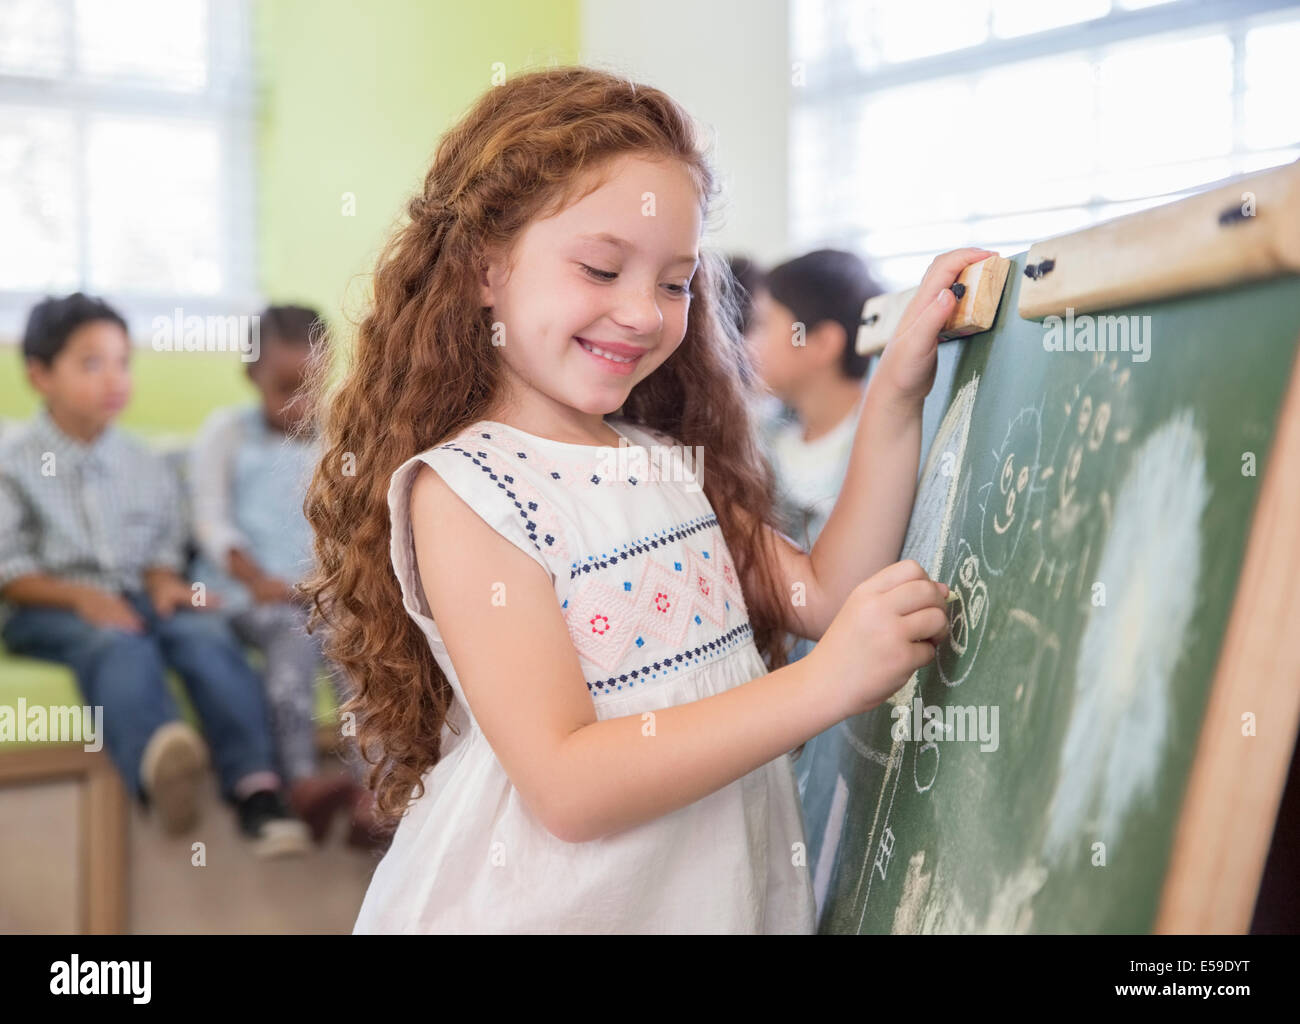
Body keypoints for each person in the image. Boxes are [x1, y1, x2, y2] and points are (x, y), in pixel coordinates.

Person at [300, 64, 989, 932]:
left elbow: (826, 594)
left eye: (674, 283)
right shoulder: (469, 490)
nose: (643, 313)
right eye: (599, 267)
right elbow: (568, 786)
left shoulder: (664, 463)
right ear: (484, 267)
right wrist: (824, 687)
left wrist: (894, 395)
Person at [0, 293, 310, 857]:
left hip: (139, 595)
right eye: (91, 364)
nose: (114, 378)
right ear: (40, 375)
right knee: (116, 644)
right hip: (52, 606)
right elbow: (9, 566)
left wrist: (167, 580)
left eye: (123, 362)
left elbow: (165, 542)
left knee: (205, 637)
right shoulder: (13, 459)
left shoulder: (143, 461)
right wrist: (79, 598)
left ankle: (257, 788)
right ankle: (160, 762)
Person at [187, 305, 382, 847]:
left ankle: (377, 792)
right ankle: (300, 781)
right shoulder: (227, 433)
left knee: (361, 645)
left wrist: (340, 580)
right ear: (252, 373)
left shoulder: (337, 437)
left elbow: (352, 520)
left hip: (318, 589)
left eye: (311, 387)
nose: (299, 404)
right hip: (247, 590)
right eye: (284, 387)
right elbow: (210, 519)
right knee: (290, 638)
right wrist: (257, 580)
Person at [746, 249, 886, 664]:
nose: (745, 343)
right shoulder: (761, 440)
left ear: (821, 343)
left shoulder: (881, 442)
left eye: (761, 325)